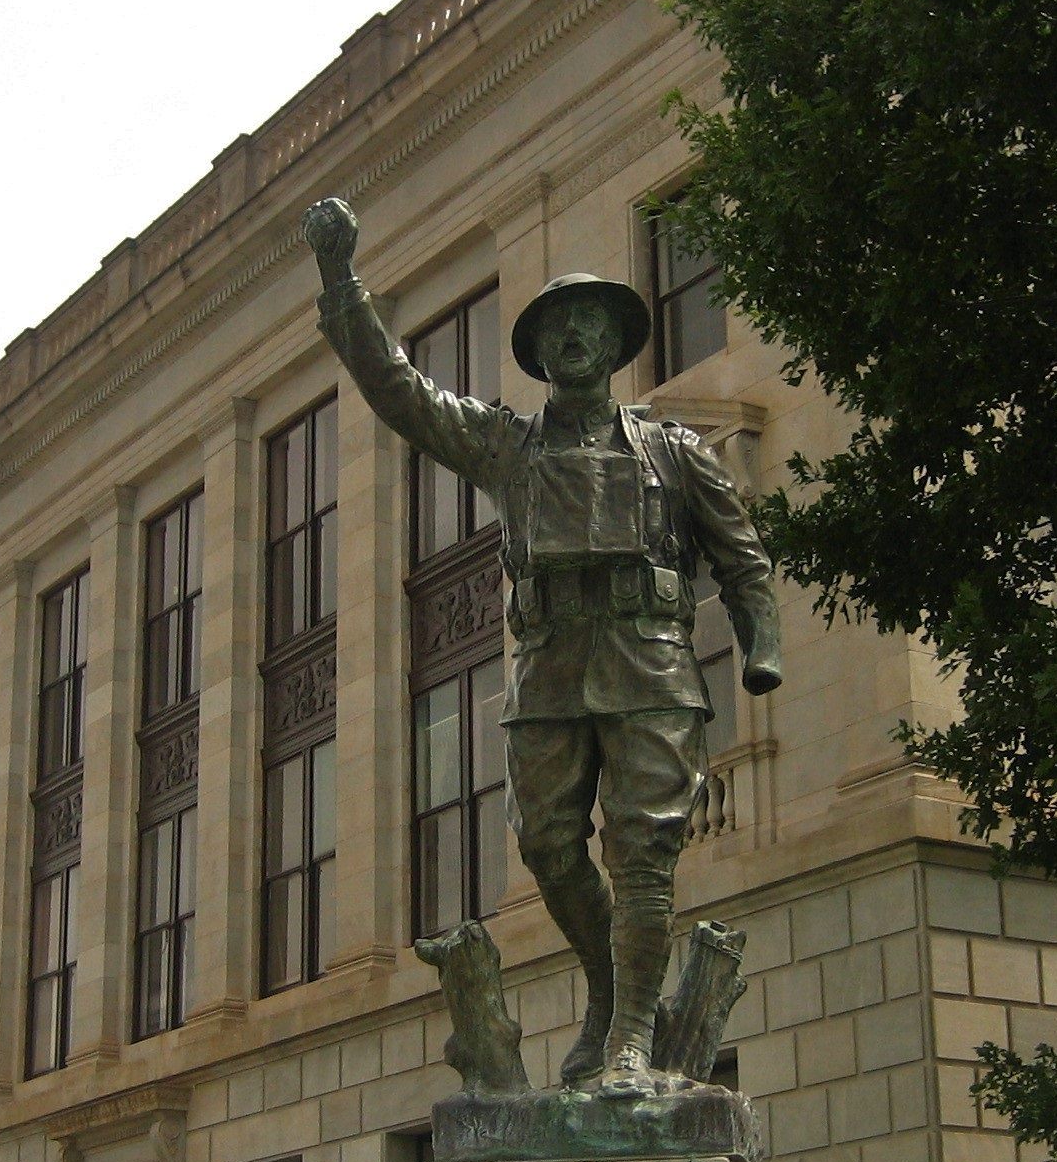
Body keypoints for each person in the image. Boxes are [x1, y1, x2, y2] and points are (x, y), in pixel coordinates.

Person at [303, 196, 782, 1095]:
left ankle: (632, 1038)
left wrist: (762, 644)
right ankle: (606, 988)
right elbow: (399, 392)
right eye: (557, 325)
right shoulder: (505, 447)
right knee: (549, 848)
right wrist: (341, 280)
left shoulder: (671, 450)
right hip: (552, 660)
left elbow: (742, 556)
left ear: (613, 342)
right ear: (541, 349)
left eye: (588, 322)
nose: (573, 336)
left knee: (643, 851)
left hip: (650, 659)